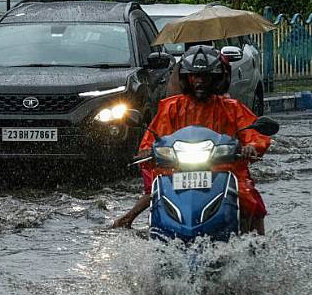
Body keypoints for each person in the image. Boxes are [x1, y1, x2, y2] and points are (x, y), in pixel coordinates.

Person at [113, 45, 271, 234]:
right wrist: (148, 150)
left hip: (224, 170)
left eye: (205, 76)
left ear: (217, 78)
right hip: (177, 168)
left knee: (248, 198)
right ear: (186, 78)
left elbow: (255, 135)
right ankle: (137, 223)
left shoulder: (232, 108)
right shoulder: (171, 108)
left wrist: (251, 147)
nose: (200, 81)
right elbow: (152, 138)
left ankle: (258, 244)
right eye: (195, 76)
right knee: (156, 192)